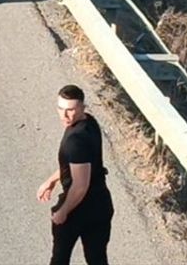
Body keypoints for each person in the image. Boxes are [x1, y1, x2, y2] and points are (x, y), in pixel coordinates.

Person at [37, 84, 115, 265]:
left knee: (59, 260)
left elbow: (80, 186)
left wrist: (63, 212)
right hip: (101, 206)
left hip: (78, 210)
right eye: (60, 109)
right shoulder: (89, 123)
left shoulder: (75, 141)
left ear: (82, 107)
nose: (64, 115)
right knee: (97, 260)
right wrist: (51, 180)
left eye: (70, 110)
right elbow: (77, 166)